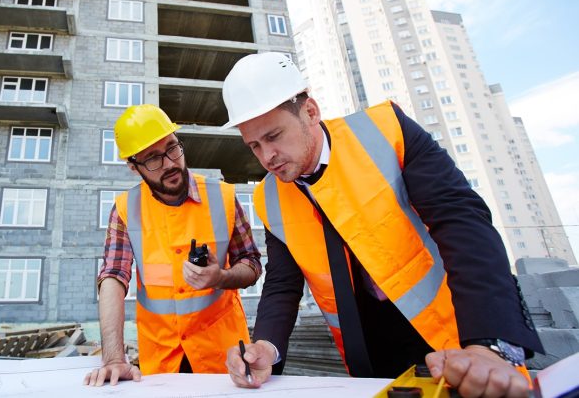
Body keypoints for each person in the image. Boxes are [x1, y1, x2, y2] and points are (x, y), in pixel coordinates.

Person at [221, 52, 544, 397]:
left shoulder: (388, 131)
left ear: (310, 112)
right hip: (369, 355)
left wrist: (488, 342)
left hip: (456, 337)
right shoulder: (268, 197)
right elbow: (283, 284)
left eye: (274, 136)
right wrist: (267, 346)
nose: (266, 156)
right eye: (254, 145)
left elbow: (462, 222)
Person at [84, 104, 262, 386]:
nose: (170, 163)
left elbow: (251, 264)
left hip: (225, 361)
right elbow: (113, 277)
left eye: (172, 148)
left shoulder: (223, 197)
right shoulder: (125, 209)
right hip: (162, 363)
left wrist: (222, 277)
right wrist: (114, 357)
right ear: (133, 167)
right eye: (153, 159)